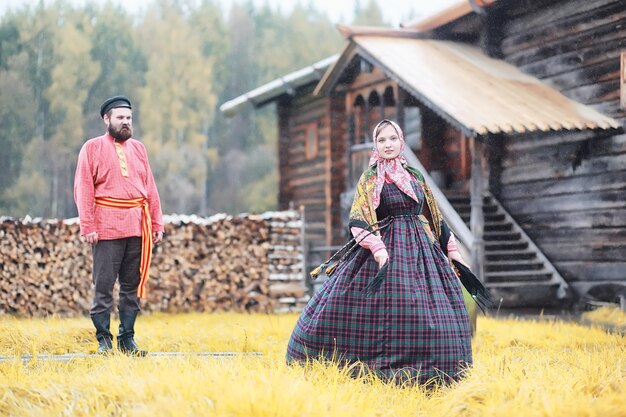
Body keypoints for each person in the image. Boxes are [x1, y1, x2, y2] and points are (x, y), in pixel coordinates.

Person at [286, 119, 473, 385]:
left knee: (431, 311)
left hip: (420, 250)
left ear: (401, 142)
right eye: (382, 140)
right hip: (380, 248)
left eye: (392, 139)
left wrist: (452, 250)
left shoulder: (415, 177)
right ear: (376, 145)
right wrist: (378, 248)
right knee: (362, 307)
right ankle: (372, 367)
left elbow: (434, 216)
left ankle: (434, 369)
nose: (388, 145)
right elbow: (358, 219)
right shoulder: (370, 178)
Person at [74, 95, 164, 355]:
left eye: (129, 118)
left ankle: (127, 340)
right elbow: (84, 188)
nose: (125, 122)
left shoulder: (139, 148)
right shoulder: (91, 148)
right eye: (120, 118)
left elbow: (150, 188)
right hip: (106, 227)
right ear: (106, 119)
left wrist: (157, 222)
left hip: (138, 226)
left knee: (130, 286)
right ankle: (104, 340)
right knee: (103, 286)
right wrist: (87, 225)